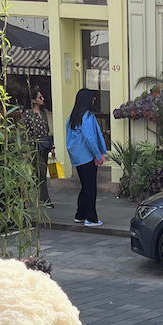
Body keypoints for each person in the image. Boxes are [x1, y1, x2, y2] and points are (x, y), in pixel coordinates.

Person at [66, 88, 107, 227]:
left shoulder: (73, 117)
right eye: (93, 97)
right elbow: (90, 138)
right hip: (87, 156)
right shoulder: (88, 116)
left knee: (85, 186)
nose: (94, 100)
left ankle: (80, 214)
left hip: (77, 156)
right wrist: (97, 154)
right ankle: (91, 218)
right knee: (90, 188)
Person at [20, 88, 52, 207]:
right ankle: (44, 198)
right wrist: (27, 149)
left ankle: (40, 198)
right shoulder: (27, 113)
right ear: (33, 100)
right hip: (34, 147)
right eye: (40, 97)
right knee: (40, 173)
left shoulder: (43, 112)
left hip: (45, 145)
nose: (42, 99)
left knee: (42, 173)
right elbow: (24, 132)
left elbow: (46, 129)